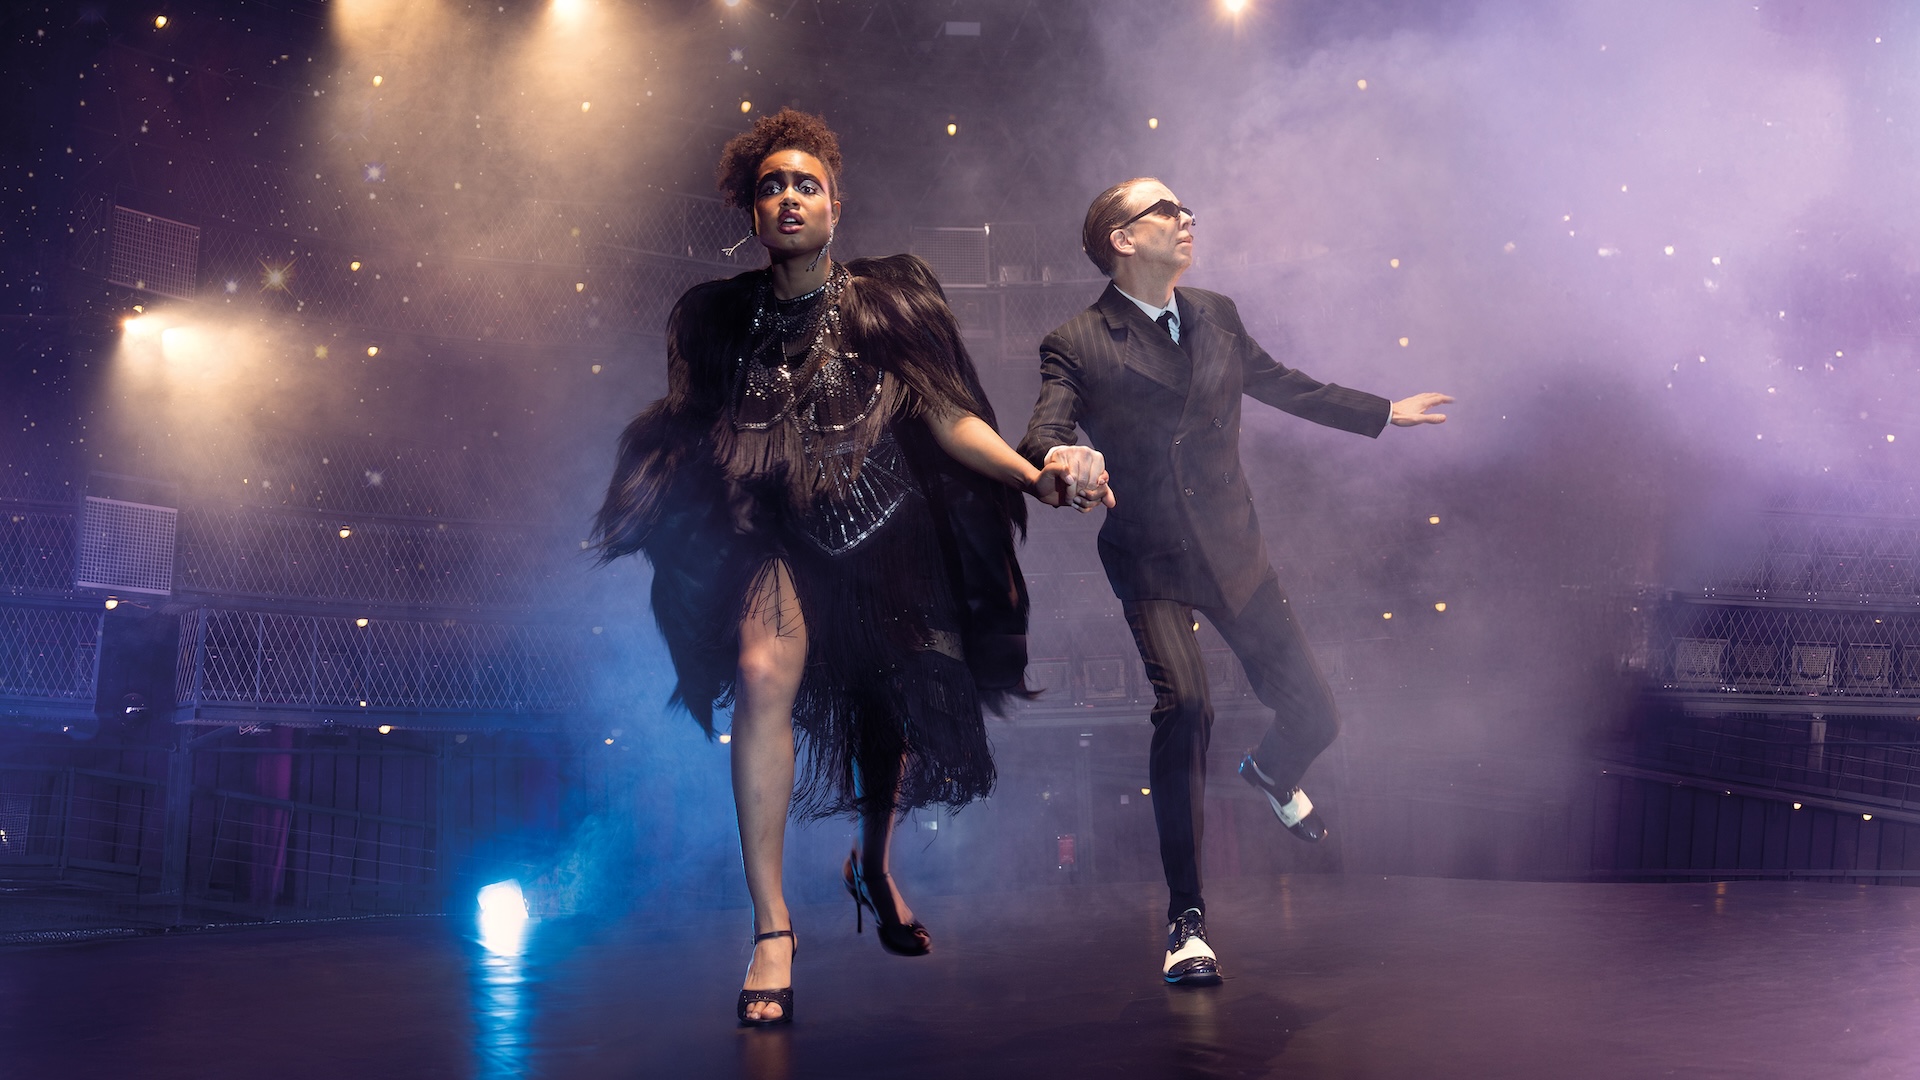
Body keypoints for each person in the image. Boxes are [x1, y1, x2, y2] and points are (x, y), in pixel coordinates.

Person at [593, 109, 1094, 1026]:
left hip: (885, 528)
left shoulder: (890, 300)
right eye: (771, 186)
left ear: (835, 205)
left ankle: (874, 865)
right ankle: (772, 927)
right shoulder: (713, 319)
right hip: (771, 532)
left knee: (882, 707)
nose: (789, 197)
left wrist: (1035, 476)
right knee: (762, 673)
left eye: (806, 184)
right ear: (752, 211)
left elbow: (946, 416)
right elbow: (696, 430)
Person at [1017, 177, 1452, 986]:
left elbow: (1283, 382)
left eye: (1186, 209)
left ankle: (1273, 771)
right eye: (1166, 210)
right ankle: (1187, 920)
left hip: (1234, 547)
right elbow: (1046, 427)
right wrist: (1060, 456)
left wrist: (1383, 411)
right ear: (1121, 238)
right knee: (1186, 707)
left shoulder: (1216, 312)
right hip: (1152, 555)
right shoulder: (1077, 340)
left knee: (1316, 713)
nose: (1186, 219)